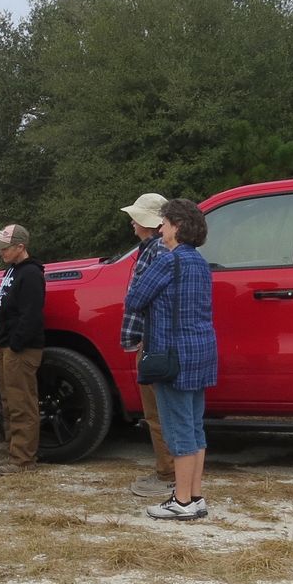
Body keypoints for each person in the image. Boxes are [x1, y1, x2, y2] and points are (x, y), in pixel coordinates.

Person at [123, 199, 217, 520]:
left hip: (172, 354)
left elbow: (135, 299)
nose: (160, 229)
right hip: (200, 352)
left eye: (164, 223)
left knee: (178, 430)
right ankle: (195, 496)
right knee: (194, 426)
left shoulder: (168, 261)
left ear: (176, 226)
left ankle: (182, 501)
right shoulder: (200, 262)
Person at [119, 192, 177, 499]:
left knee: (157, 411)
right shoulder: (156, 249)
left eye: (136, 217)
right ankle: (170, 470)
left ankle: (168, 473)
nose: (132, 222)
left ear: (151, 222)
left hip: (154, 341)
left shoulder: (156, 251)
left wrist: (141, 336)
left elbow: (140, 297)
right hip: (154, 338)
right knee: (160, 410)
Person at [0, 223, 45, 475]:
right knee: (8, 400)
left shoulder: (31, 274)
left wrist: (16, 343)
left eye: (5, 248)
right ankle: (14, 451)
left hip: (20, 348)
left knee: (21, 402)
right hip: (6, 345)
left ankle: (23, 459)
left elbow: (31, 315)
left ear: (20, 247)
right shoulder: (13, 270)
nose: (1, 252)